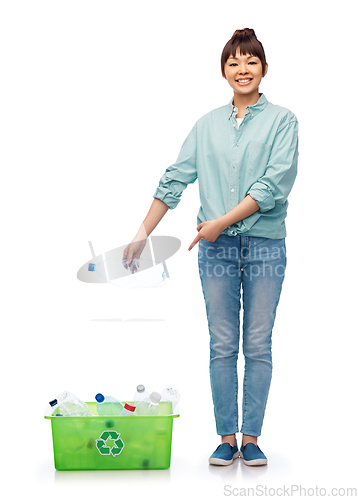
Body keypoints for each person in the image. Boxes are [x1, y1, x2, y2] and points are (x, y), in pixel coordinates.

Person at [123, 28, 299, 467]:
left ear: (264, 69)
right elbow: (175, 178)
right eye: (234, 62)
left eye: (251, 61)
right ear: (223, 71)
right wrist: (143, 232)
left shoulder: (283, 121)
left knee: (257, 344)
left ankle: (252, 438)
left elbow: (272, 186)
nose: (243, 69)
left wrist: (219, 222)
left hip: (264, 248)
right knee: (222, 345)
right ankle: (226, 438)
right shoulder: (205, 126)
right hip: (215, 251)